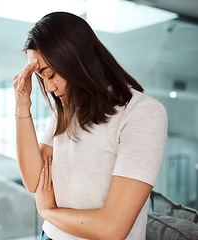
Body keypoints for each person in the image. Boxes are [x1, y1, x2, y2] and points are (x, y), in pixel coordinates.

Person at [12, 12, 168, 240]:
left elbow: (112, 229)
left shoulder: (142, 113)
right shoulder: (65, 111)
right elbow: (35, 180)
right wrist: (22, 108)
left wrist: (47, 211)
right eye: (41, 78)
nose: (48, 88)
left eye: (51, 75)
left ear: (75, 60)